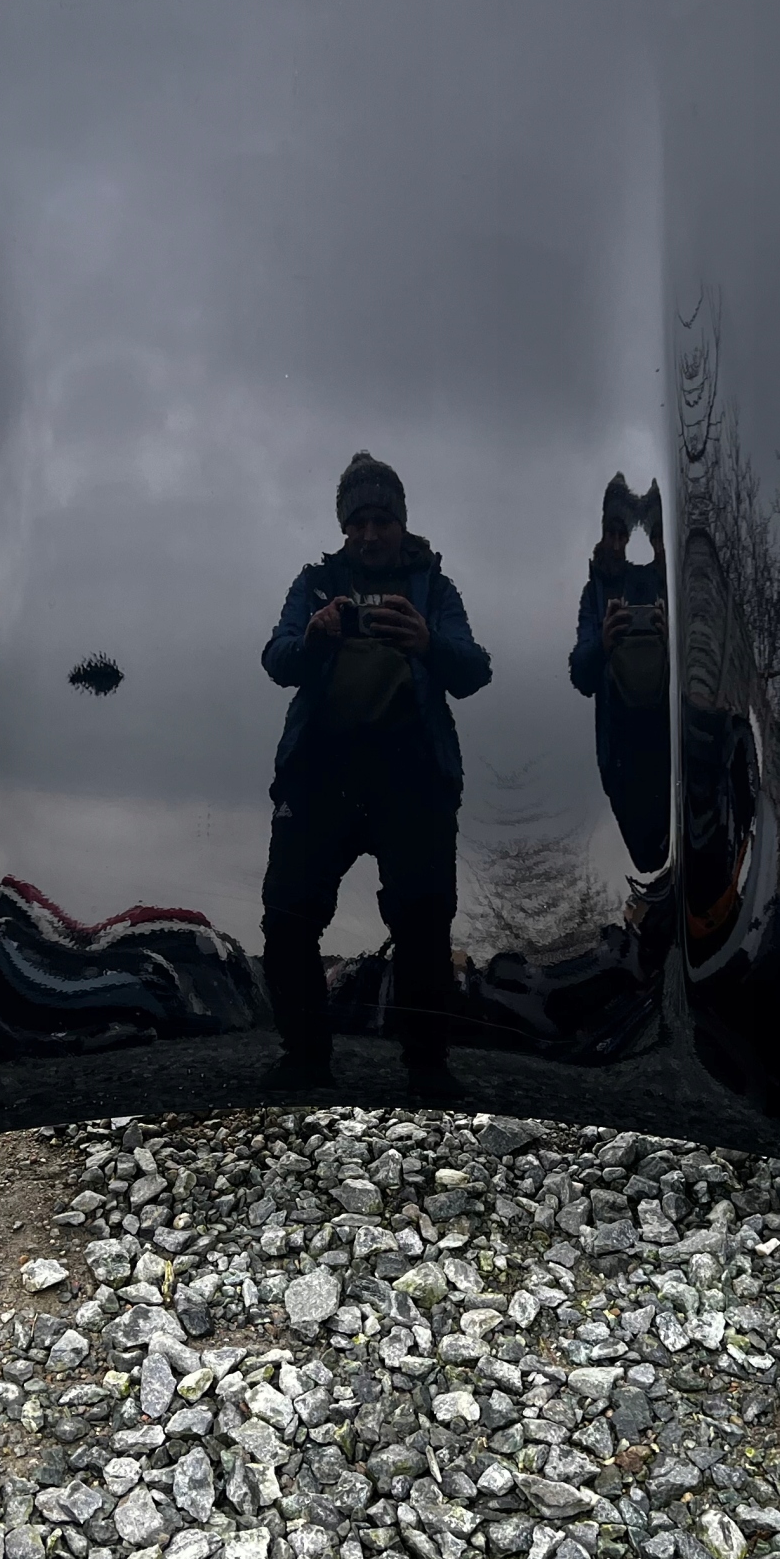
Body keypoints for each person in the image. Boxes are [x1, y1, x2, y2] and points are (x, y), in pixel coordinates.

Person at [259, 452, 492, 1100]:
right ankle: (304, 1060)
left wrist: (426, 641)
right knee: (288, 914)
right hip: (319, 772)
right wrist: (313, 637)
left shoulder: (435, 589)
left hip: (412, 772)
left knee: (424, 920)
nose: (368, 534)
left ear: (401, 522)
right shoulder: (314, 583)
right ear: (343, 525)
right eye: (357, 521)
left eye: (381, 520)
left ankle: (427, 1069)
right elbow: (277, 659)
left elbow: (474, 669)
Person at [569, 473, 671, 873]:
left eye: (622, 533)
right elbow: (581, 675)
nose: (616, 543)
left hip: (674, 745)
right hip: (622, 755)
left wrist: (672, 642)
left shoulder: (675, 585)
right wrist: (604, 643)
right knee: (647, 862)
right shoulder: (595, 592)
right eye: (611, 532)